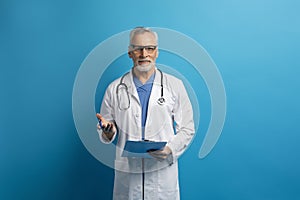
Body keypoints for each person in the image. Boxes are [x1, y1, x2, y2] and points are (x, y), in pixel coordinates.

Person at [96, 27, 195, 200]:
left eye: (149, 48)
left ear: (156, 52)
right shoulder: (114, 89)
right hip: (128, 176)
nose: (144, 54)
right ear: (129, 53)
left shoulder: (175, 86)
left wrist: (170, 149)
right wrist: (108, 132)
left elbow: (187, 128)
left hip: (162, 175)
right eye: (137, 48)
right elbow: (106, 127)